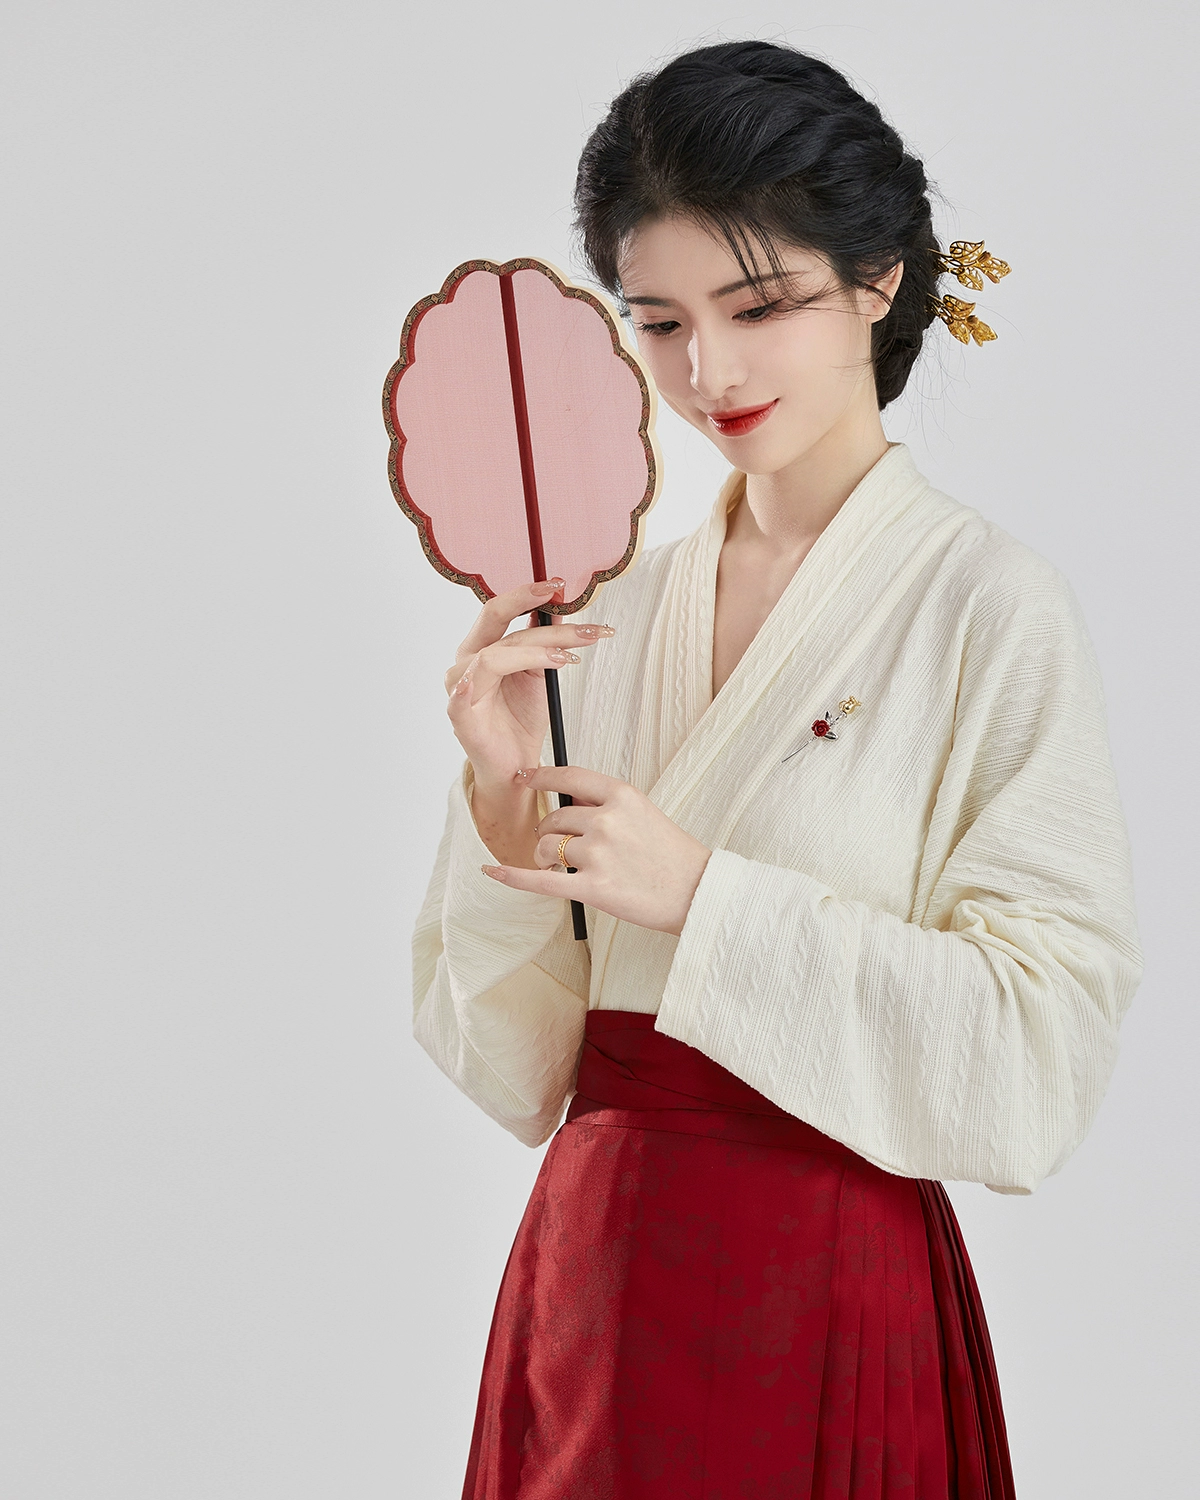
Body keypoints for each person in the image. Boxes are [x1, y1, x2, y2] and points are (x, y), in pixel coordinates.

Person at [411, 38, 1142, 1499]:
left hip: (829, 1278)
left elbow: (1036, 1057)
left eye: (760, 306)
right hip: (597, 1282)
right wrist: (504, 809)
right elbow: (516, 1068)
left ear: (878, 279)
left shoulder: (988, 607)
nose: (710, 372)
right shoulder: (600, 615)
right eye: (661, 322)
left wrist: (702, 896)